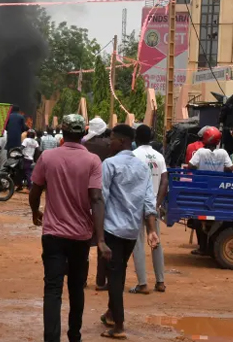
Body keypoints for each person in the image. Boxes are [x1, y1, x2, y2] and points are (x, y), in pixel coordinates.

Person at [29, 114, 105, 342]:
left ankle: (51, 338)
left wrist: (35, 211)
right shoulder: (93, 161)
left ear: (62, 132)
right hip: (81, 236)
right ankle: (74, 335)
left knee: (52, 288)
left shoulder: (48, 157)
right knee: (76, 288)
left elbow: (35, 190)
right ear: (83, 134)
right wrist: (100, 238)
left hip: (53, 234)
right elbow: (96, 199)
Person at [99, 124, 159, 339]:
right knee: (119, 271)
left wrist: (95, 231)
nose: (109, 142)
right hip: (132, 231)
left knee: (114, 277)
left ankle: (119, 326)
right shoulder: (143, 168)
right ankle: (110, 313)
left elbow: (102, 198)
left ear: (122, 141)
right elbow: (148, 200)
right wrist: (151, 230)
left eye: (113, 138)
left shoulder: (110, 164)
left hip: (113, 229)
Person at [130, 125, 168, 294]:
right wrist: (156, 204)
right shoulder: (159, 156)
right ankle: (160, 282)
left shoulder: (133, 155)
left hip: (136, 205)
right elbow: (165, 182)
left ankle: (143, 283)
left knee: (138, 244)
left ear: (135, 138)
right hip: (153, 205)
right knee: (156, 242)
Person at [187, 126, 232, 256]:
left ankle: (202, 247)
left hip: (202, 190)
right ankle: (212, 247)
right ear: (218, 142)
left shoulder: (200, 152)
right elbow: (230, 168)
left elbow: (190, 166)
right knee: (216, 219)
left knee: (198, 218)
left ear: (205, 140)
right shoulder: (223, 153)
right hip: (218, 189)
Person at [82, 117, 113, 291]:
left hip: (84, 197)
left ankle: (82, 278)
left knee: (84, 240)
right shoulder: (109, 146)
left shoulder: (83, 146)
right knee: (103, 239)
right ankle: (101, 281)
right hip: (104, 199)